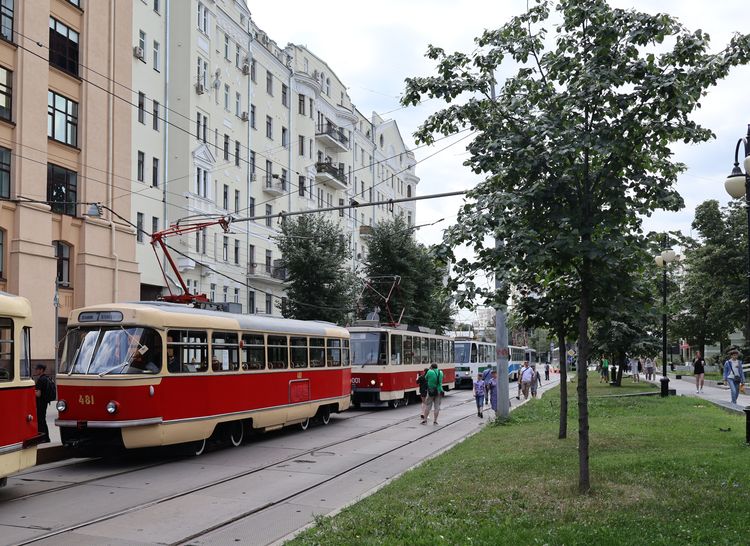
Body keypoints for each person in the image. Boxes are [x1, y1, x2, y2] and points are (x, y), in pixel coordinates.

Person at [33, 364, 53, 443]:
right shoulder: (47, 378)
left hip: (40, 403)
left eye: (37, 369)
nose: (36, 370)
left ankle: (43, 438)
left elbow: (38, 394)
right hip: (45, 402)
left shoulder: (41, 380)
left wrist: (31, 391)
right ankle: (46, 438)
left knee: (41, 421)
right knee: (43, 420)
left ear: (41, 370)